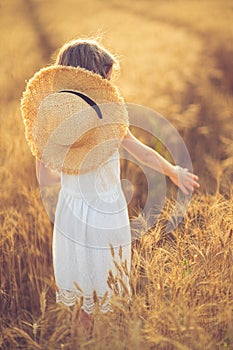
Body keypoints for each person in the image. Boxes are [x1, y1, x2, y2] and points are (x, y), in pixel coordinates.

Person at [22, 38, 199, 340]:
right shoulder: (108, 116)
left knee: (83, 300)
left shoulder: (52, 123)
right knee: (106, 296)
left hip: (70, 215)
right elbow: (142, 153)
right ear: (95, 76)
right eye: (106, 76)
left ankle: (84, 343)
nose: (109, 82)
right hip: (104, 214)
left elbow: (48, 176)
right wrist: (173, 171)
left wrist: (73, 165)